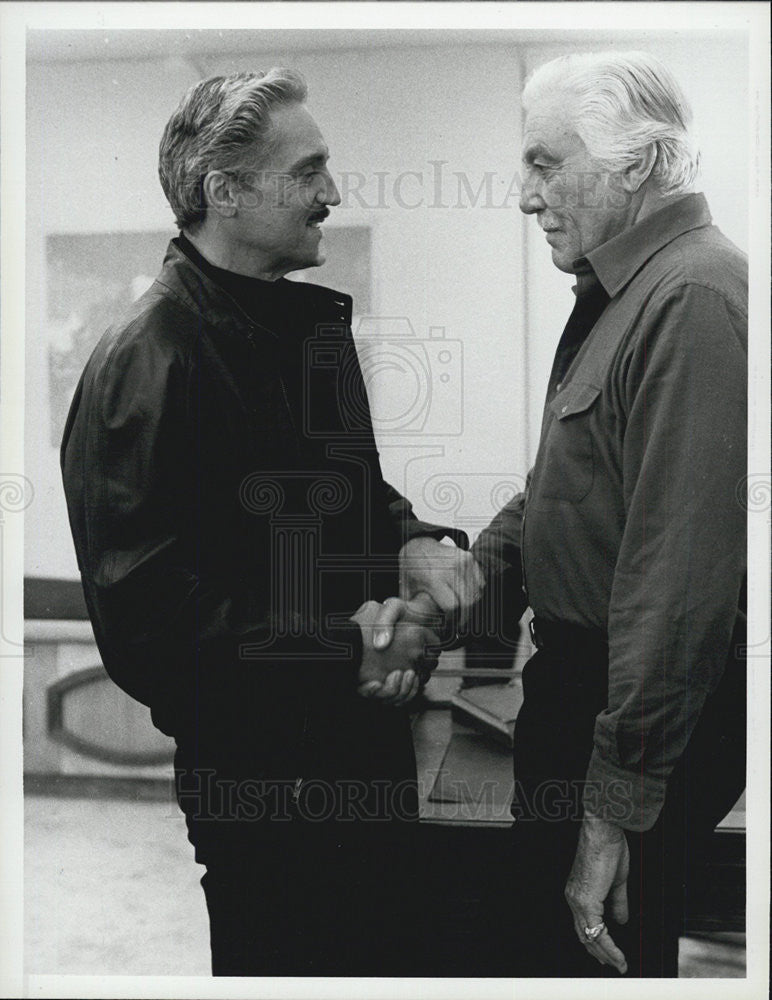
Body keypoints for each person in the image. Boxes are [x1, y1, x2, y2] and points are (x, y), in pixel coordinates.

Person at [59, 68, 478, 977]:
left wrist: (407, 537)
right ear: (226, 190)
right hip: (266, 780)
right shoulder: (150, 360)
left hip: (358, 744)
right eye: (309, 170)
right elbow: (150, 621)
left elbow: (353, 494)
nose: (331, 194)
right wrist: (349, 651)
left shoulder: (303, 328)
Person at [379, 50, 747, 977]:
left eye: (546, 163)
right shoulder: (627, 292)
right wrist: (456, 593)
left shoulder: (694, 297)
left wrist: (612, 808)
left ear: (632, 165)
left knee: (593, 958)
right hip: (586, 687)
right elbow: (560, 492)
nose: (524, 194)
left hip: (628, 702)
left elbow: (675, 584)